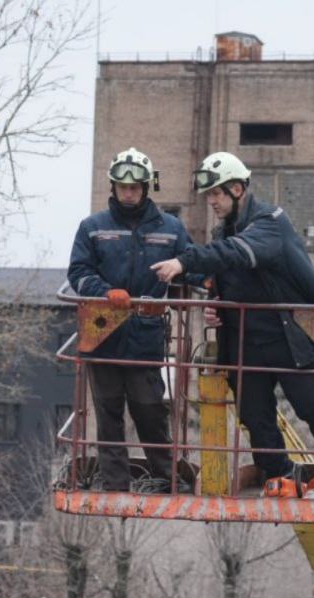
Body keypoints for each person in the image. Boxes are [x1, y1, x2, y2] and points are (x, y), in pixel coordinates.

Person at [151, 151, 314, 498]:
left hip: (288, 336)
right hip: (246, 340)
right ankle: (280, 474)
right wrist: (213, 300)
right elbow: (225, 274)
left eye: (216, 194)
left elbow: (237, 254)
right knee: (254, 414)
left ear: (238, 189)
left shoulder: (269, 223)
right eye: (208, 195)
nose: (211, 201)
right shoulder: (226, 229)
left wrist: (183, 260)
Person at [67, 147, 192, 493]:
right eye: (122, 187)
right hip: (102, 331)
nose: (128, 192)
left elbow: (190, 263)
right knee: (108, 413)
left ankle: (168, 479)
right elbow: (78, 271)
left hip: (145, 335)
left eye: (135, 187)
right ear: (113, 186)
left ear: (147, 187)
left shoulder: (171, 229)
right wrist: (105, 292)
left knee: (150, 409)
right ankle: (115, 483)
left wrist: (194, 282)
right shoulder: (92, 228)